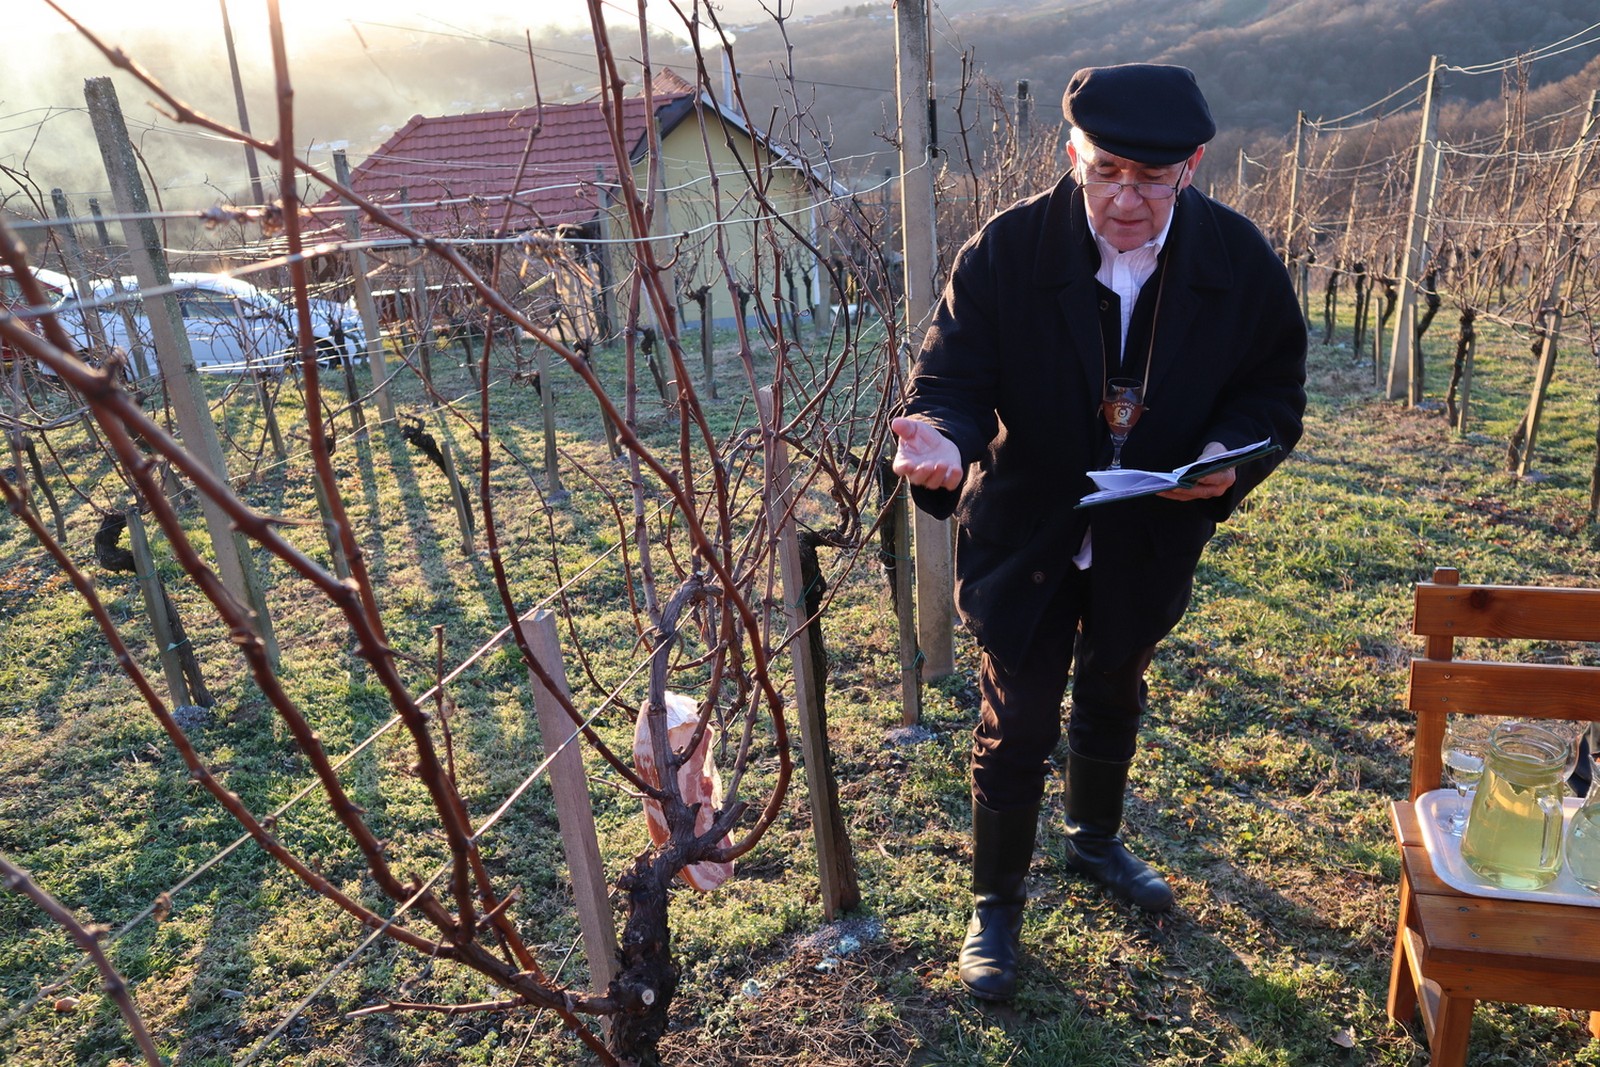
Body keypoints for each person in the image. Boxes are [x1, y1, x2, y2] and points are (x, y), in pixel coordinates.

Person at [891, 63, 1307, 1001]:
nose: (1126, 198)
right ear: (1071, 153)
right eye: (1107, 170)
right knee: (1021, 712)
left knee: (1116, 683)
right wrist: (945, 445)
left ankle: (1093, 840)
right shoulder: (1006, 252)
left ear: (1191, 167)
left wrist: (1230, 451)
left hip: (1148, 535)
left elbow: (1274, 389)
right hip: (1029, 531)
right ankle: (995, 902)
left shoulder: (1238, 263)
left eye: (1150, 179)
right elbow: (952, 381)